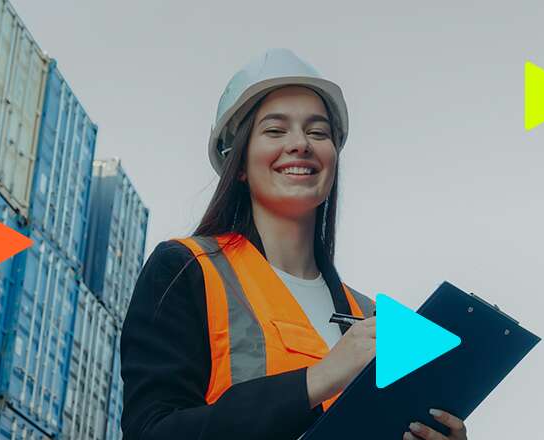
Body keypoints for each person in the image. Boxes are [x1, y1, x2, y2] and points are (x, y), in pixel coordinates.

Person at [120, 48, 469, 440]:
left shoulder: (372, 319)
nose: (300, 144)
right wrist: (317, 379)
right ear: (238, 163)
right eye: (275, 130)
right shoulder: (187, 269)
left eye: (317, 132)